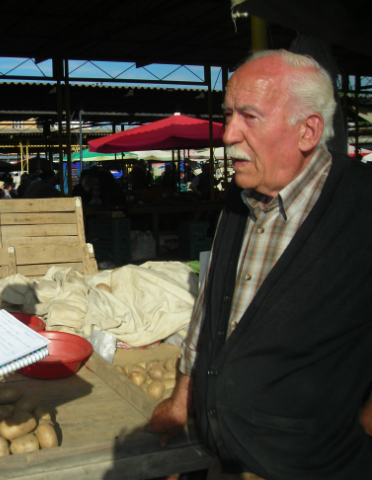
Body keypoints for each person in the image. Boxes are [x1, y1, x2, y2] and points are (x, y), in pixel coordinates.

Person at [149, 49, 372, 479]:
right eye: (229, 114)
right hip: (228, 459)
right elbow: (210, 310)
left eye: (248, 116)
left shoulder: (361, 205)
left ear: (308, 131)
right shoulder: (240, 200)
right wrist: (181, 402)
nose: (228, 133)